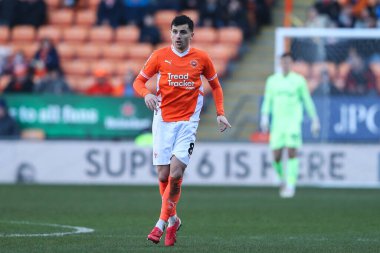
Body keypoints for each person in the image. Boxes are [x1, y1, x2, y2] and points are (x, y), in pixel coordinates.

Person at [133, 15, 231, 246]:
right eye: (175, 32)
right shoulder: (159, 56)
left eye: (183, 32)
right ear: (170, 33)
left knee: (176, 174)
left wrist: (220, 112)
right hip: (163, 121)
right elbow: (138, 82)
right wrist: (146, 93)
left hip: (187, 123)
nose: (178, 36)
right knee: (163, 176)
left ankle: (160, 224)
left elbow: (216, 86)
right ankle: (174, 219)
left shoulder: (201, 58)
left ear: (191, 35)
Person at [260, 52, 320, 198]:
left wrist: (314, 119)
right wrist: (264, 116)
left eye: (288, 62)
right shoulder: (272, 80)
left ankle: (291, 184)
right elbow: (267, 100)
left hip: (293, 123)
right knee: (276, 156)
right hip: (277, 124)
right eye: (283, 62)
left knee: (292, 152)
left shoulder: (299, 80)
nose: (285, 65)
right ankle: (282, 180)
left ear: (291, 64)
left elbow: (307, 100)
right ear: (280, 64)